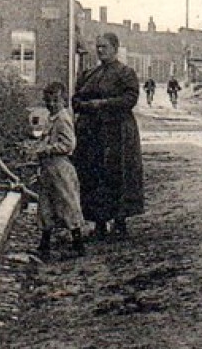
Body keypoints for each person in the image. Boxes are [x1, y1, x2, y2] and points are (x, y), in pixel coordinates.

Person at [72, 31, 145, 237]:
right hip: (92, 134)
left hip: (117, 133)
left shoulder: (125, 73)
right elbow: (75, 100)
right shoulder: (89, 74)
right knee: (94, 175)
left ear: (114, 48)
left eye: (104, 47)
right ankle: (99, 222)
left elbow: (130, 99)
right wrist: (86, 106)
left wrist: (102, 104)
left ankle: (120, 221)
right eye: (98, 47)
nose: (100, 51)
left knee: (117, 174)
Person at [32, 81, 86, 259]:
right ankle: (44, 244)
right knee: (46, 205)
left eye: (56, 101)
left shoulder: (63, 119)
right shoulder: (51, 117)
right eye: (48, 101)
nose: (52, 104)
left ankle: (78, 243)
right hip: (48, 168)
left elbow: (69, 144)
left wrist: (48, 149)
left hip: (60, 167)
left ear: (63, 101)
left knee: (67, 203)